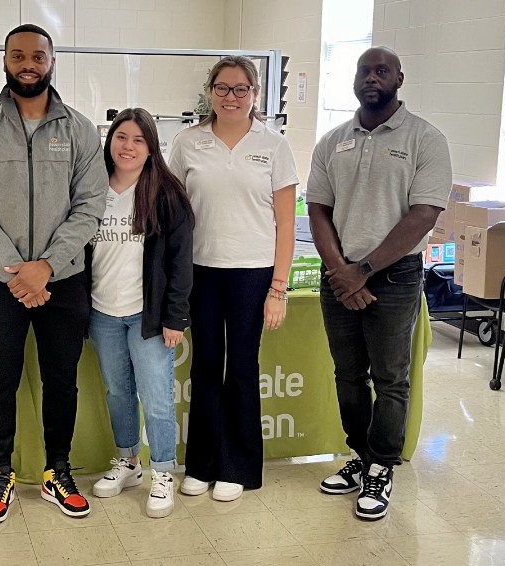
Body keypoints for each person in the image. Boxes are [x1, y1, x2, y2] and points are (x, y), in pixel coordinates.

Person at [0, 23, 106, 524]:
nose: (28, 63)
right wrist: (18, 272)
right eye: (18, 55)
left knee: (62, 379)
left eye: (37, 56)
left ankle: (58, 470)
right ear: (4, 61)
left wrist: (47, 268)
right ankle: (1, 471)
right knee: (1, 380)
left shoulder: (81, 130)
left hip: (63, 280)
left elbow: (89, 207)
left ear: (51, 62)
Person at [309, 47, 450, 521]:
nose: (372, 78)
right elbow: (318, 210)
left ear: (398, 79)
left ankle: (383, 466)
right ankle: (361, 456)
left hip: (394, 277)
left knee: (391, 378)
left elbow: (424, 215)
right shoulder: (332, 141)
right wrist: (341, 272)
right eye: (364, 71)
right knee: (348, 374)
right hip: (340, 274)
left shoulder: (425, 139)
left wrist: (363, 271)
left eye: (381, 71)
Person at [168, 55, 298, 502]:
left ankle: (237, 466)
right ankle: (201, 464)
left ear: (255, 94)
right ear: (210, 92)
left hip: (253, 274)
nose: (231, 97)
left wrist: (278, 289)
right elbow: (175, 217)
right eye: (222, 88)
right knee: (205, 367)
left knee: (242, 369)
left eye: (241, 89)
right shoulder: (187, 143)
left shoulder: (274, 145)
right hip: (201, 272)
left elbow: (286, 226)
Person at [87, 108, 194, 519]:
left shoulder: (166, 194)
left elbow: (181, 262)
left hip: (148, 317)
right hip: (103, 312)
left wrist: (175, 318)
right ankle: (128, 462)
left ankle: (163, 471)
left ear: (151, 147)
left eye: (138, 140)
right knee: (117, 393)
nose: (128, 147)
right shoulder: (91, 188)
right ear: (109, 141)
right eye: (120, 137)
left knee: (157, 398)